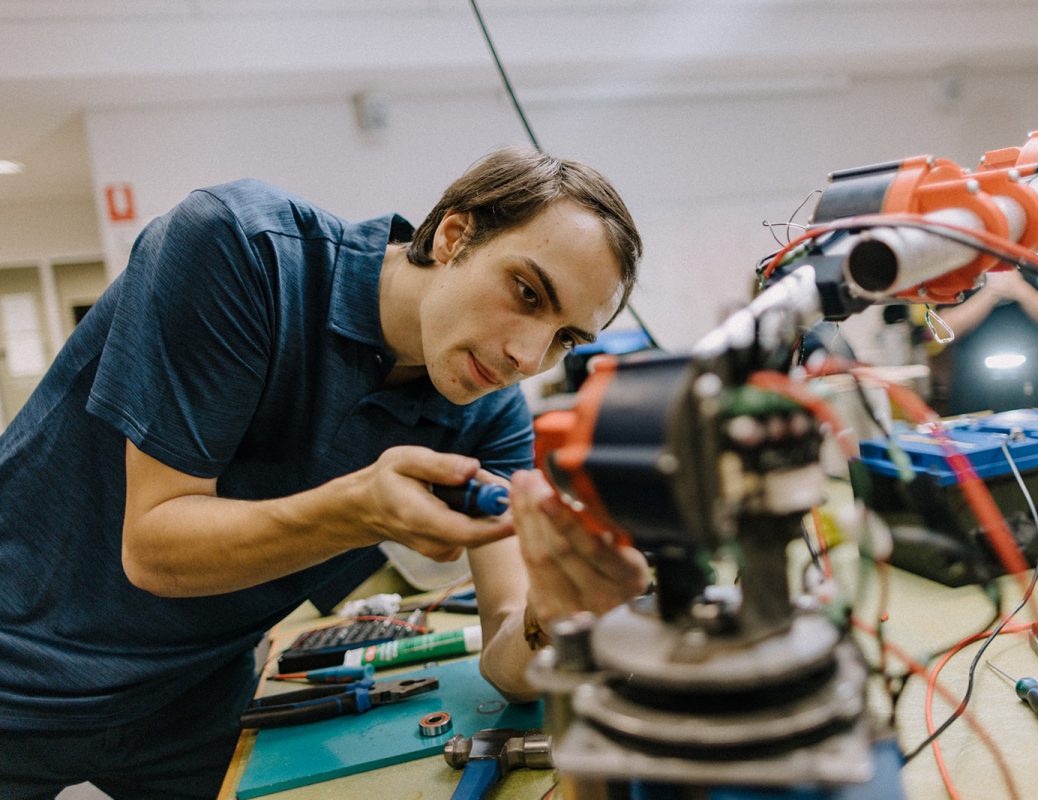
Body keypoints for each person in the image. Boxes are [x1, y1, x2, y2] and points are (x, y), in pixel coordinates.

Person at [0, 147, 650, 799]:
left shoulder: (488, 415)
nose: (527, 356)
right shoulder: (240, 249)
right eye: (527, 293)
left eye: (566, 338)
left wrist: (550, 621)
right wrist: (360, 510)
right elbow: (154, 550)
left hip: (191, 703)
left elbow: (506, 662)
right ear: (455, 235)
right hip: (17, 677)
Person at [937, 268, 1038, 415]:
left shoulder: (1037, 256)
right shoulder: (956, 261)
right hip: (974, 394)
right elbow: (943, 331)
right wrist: (990, 292)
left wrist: (1018, 288)